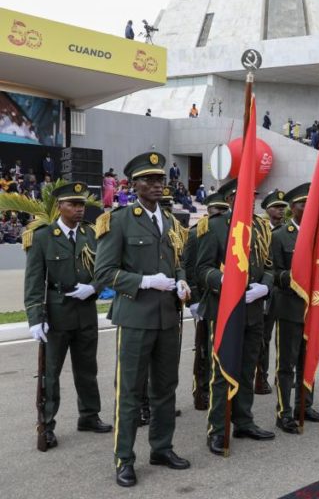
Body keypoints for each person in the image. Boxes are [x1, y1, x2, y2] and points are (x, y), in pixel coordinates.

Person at [94, 152, 191, 487]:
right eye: (147, 180)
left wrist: (180, 278)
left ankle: (161, 448)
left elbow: (175, 260)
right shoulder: (118, 220)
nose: (155, 185)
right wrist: (146, 282)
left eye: (159, 179)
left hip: (167, 318)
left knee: (165, 388)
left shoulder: (170, 218)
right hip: (135, 317)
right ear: (133, 185)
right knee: (130, 392)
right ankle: (124, 459)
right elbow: (104, 272)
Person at [24, 182, 112, 450]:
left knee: (87, 370)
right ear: (59, 206)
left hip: (85, 312)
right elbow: (34, 281)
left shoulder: (91, 234)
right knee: (50, 374)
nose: (79, 209)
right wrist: (35, 317)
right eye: (73, 204)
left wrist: (94, 288)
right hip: (56, 314)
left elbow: (104, 269)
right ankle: (47, 424)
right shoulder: (42, 237)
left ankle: (89, 416)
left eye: (81, 205)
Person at [196, 179, 276, 456]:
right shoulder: (215, 226)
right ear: (230, 199)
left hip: (253, 309)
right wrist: (226, 283)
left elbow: (268, 265)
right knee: (222, 372)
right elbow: (203, 269)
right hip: (225, 311)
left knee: (246, 368)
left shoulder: (260, 227)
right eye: (245, 196)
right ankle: (217, 429)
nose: (250, 201)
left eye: (253, 196)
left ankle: (244, 420)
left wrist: (265, 285)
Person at [271, 183, 319, 433]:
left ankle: (304, 405)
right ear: (292, 208)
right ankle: (284, 412)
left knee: (309, 358)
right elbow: (273, 273)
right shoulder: (280, 236)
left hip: (312, 309)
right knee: (287, 364)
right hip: (290, 308)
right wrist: (296, 278)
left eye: (310, 203)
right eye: (303, 204)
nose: (307, 208)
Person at [183, 193, 230, 411]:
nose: (217, 215)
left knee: (212, 350)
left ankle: (211, 390)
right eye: (214, 210)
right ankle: (199, 391)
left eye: (221, 210)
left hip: (217, 297)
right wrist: (193, 301)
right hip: (202, 299)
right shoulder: (197, 231)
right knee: (201, 349)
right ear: (208, 210)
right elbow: (190, 268)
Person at [255, 189, 288, 395]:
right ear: (267, 208)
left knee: (285, 336)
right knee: (263, 338)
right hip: (266, 290)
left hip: (283, 291)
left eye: (283, 207)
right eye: (277, 207)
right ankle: (261, 377)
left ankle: (282, 374)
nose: (281, 211)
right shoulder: (260, 228)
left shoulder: (286, 230)